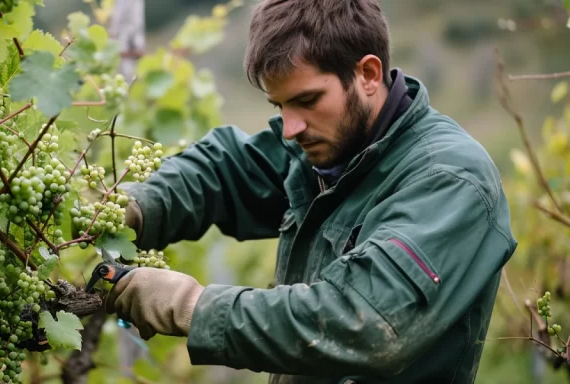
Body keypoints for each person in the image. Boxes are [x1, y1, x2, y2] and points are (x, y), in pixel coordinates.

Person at [106, 0, 518, 382]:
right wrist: (137, 206)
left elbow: (364, 323)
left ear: (368, 74)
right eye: (280, 106)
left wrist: (192, 307)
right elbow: (226, 168)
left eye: (307, 99)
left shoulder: (449, 178)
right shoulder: (330, 148)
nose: (290, 128)